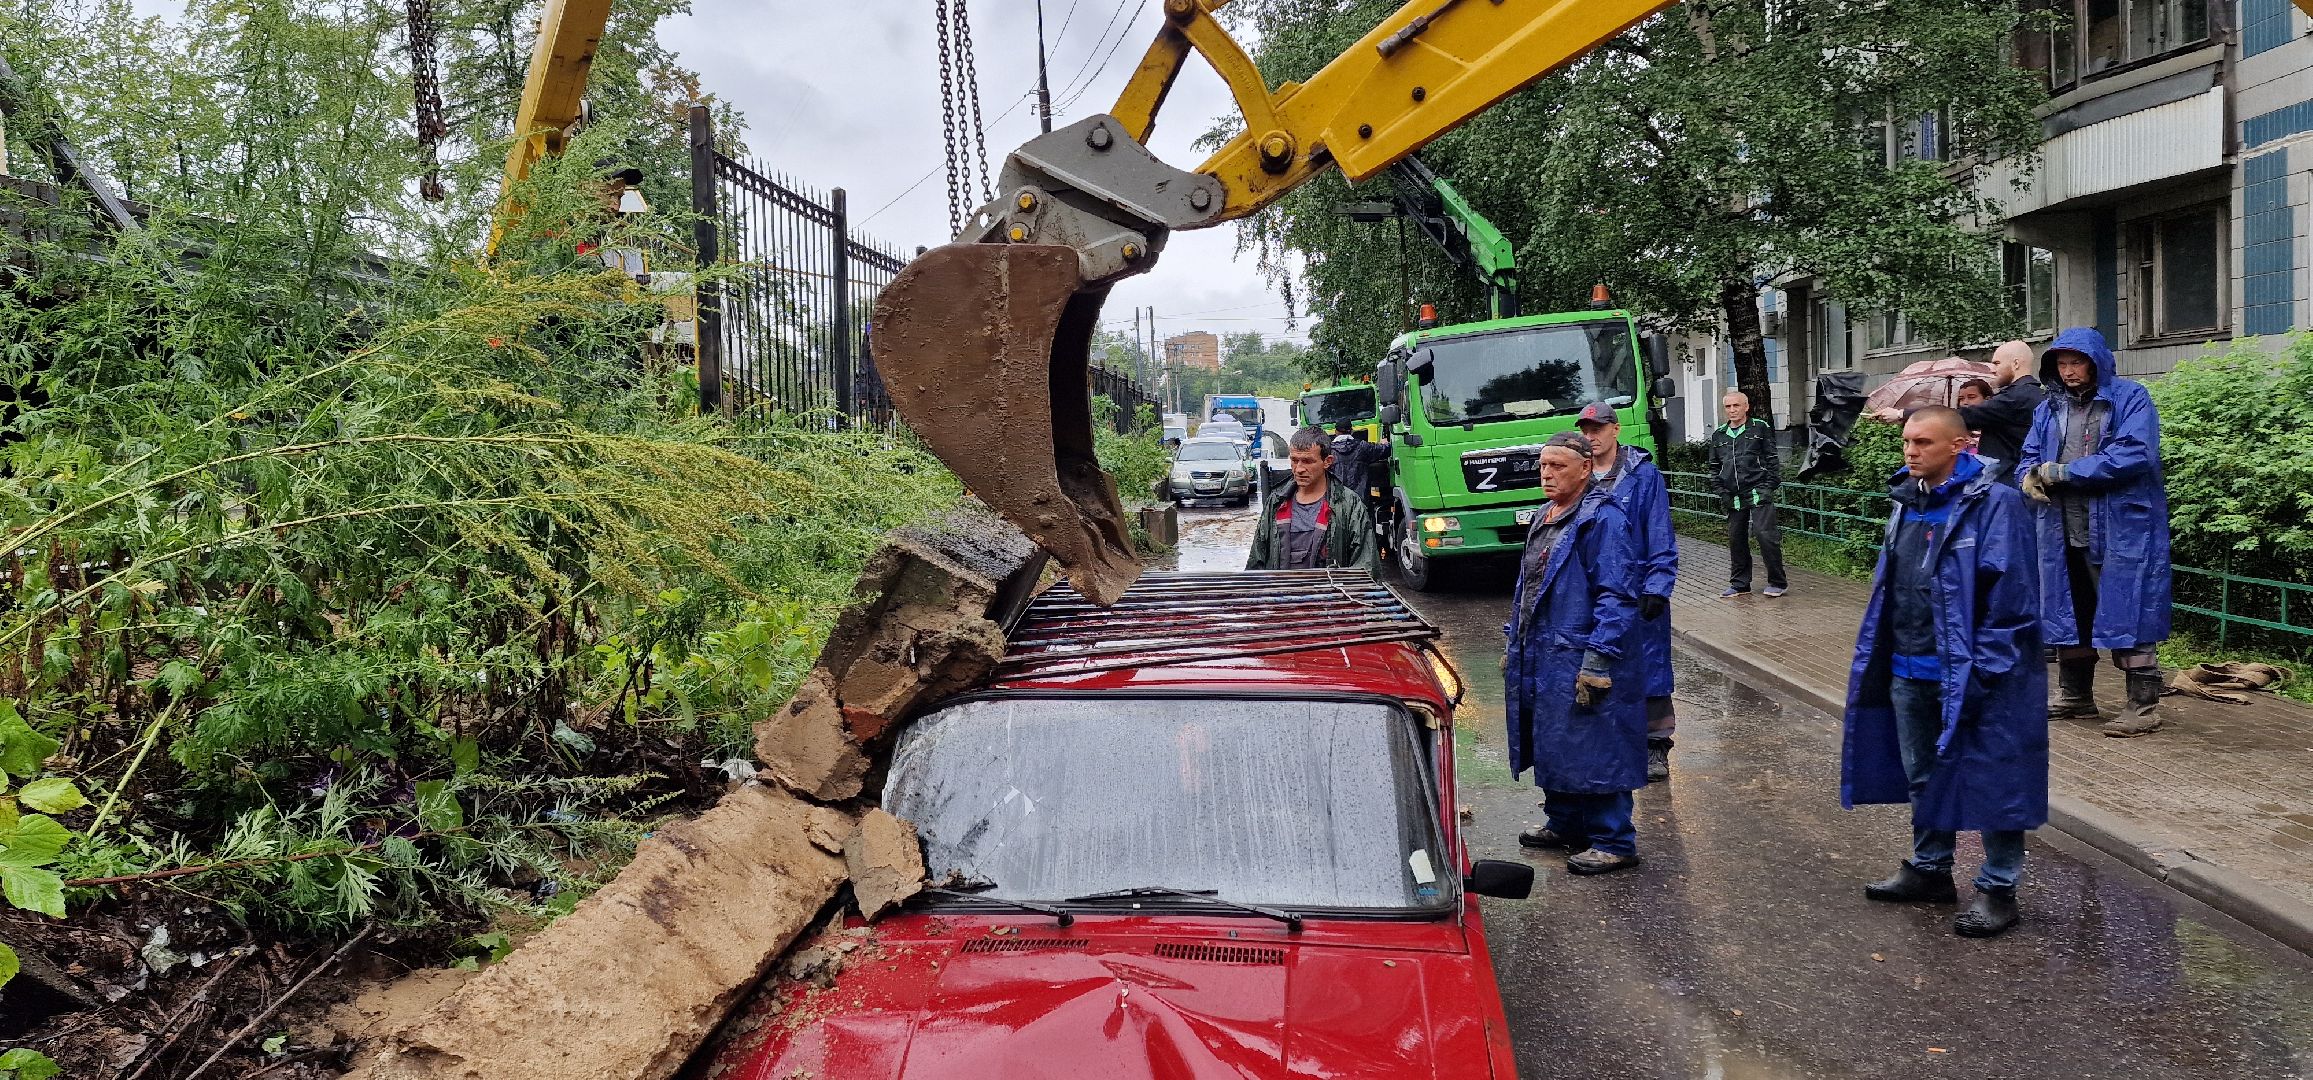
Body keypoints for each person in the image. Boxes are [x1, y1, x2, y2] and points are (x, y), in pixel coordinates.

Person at [1843, 406, 2046, 938]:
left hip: (1974, 674)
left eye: (1923, 443)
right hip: (1910, 667)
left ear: (1960, 446)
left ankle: (1999, 888)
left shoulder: (1996, 504)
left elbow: (2014, 602)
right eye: (1907, 442)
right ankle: (1931, 870)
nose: (1911, 451)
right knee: (1923, 775)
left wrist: (1985, 672)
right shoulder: (1907, 501)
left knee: (1992, 777)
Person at [2016, 327, 2173, 738]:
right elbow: (2029, 456)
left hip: (2120, 526)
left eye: (2076, 363)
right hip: (2060, 524)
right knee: (2071, 607)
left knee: (2127, 607)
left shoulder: (2129, 397)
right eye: (2062, 365)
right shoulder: (2047, 409)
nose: (2068, 372)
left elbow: (2135, 452)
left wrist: (2065, 471)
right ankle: (2076, 695)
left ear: (2095, 362)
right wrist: (2027, 478)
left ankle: (2143, 705)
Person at [1505, 431, 1645, 875]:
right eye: (1544, 466)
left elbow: (1617, 594)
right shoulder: (1546, 516)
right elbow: (1527, 587)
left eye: (1558, 466)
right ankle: (1564, 822)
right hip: (1543, 651)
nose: (1547, 474)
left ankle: (1613, 839)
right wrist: (1515, 639)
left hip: (1580, 651)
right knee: (1551, 739)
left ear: (1586, 469)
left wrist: (1599, 659)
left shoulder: (1602, 519)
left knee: (1596, 742)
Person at [1575, 402, 1681, 782]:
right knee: (1597, 663)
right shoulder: (1579, 475)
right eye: (1585, 430)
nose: (1591, 437)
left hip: (1638, 591)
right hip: (1594, 592)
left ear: (1615, 429)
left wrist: (1658, 586)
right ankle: (1609, 740)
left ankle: (1656, 746)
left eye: (1598, 429)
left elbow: (1659, 532)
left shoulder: (1643, 475)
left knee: (1650, 667)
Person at [1877, 341, 2044, 484]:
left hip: (2008, 481)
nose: (1993, 369)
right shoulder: (2033, 394)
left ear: (2015, 364)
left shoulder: (2017, 397)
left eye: (1997, 363)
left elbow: (1963, 416)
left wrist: (1901, 414)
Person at [1246, 426, 1378, 573]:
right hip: (1281, 594)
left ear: (1327, 462)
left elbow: (1366, 568)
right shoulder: (1276, 502)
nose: (1299, 469)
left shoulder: (1349, 505)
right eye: (1295, 460)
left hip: (1331, 594)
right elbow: (1256, 562)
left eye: (1307, 461)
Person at [1707, 391, 1787, 598]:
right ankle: (1740, 584)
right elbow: (1714, 466)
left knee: (1764, 534)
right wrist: (1720, 490)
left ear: (1746, 407)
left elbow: (1772, 459)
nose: (1732, 410)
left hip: (1758, 489)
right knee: (1736, 538)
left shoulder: (1759, 427)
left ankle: (1777, 582)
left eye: (1736, 406)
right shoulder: (1719, 435)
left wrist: (1769, 485)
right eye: (1728, 407)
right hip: (1732, 494)